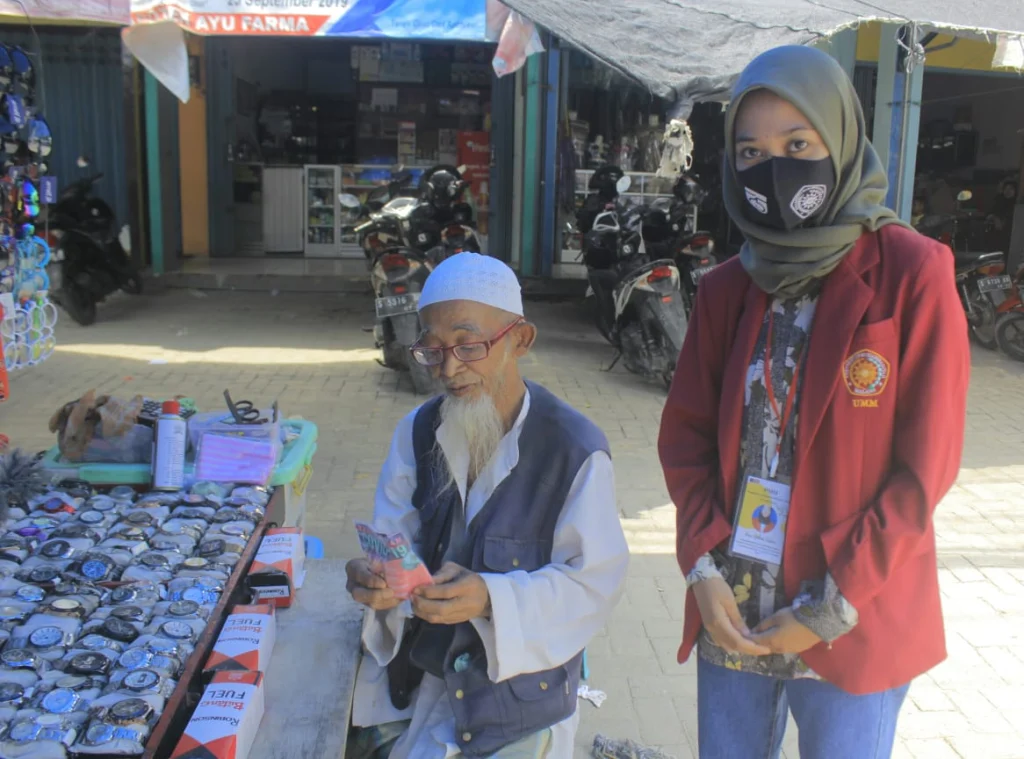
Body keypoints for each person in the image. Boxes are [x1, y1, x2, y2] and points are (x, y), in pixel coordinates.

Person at [658, 46, 969, 759]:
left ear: (840, 138)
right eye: (751, 152)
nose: (774, 169)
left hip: (852, 608)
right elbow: (686, 440)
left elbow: (924, 473)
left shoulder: (911, 273)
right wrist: (701, 569)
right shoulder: (726, 288)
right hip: (735, 605)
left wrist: (828, 608)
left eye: (798, 145)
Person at [345, 253, 629, 759]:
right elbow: (394, 537)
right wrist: (378, 581)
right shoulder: (417, 430)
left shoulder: (574, 449)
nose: (449, 368)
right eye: (433, 350)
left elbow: (592, 586)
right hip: (425, 676)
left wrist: (491, 599)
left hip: (516, 698)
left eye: (469, 345)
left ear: (520, 339)